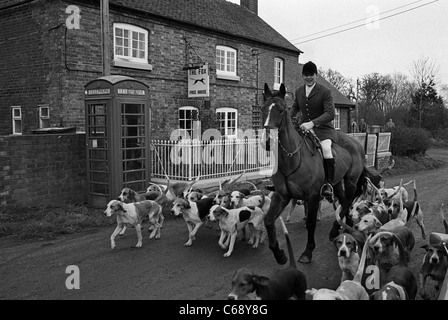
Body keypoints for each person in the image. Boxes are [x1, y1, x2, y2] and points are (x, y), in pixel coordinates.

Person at [290, 61, 337, 201]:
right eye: (306, 75)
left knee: (326, 149)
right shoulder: (299, 91)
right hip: (304, 129)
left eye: (311, 75)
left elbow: (330, 113)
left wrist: (313, 123)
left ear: (316, 75)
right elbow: (294, 108)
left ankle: (329, 184)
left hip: (323, 130)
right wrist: (286, 117)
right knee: (289, 146)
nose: (308, 78)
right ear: (302, 75)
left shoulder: (325, 91)